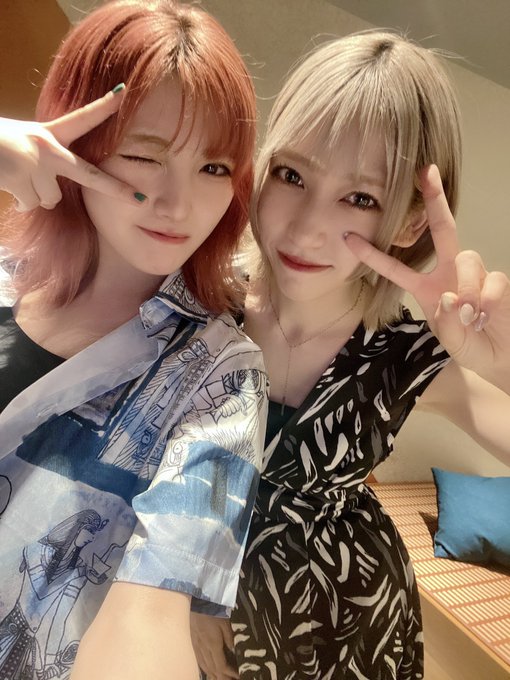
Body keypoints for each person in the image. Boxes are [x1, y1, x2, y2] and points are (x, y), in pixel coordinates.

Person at [188, 31, 510, 680]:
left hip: (349, 622)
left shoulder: (404, 356)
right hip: (191, 601)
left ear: (410, 222)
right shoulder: (200, 303)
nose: (306, 227)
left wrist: (501, 365)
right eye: (292, 175)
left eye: (360, 197)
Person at [0, 1, 268, 679]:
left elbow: (151, 613)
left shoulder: (221, 376)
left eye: (214, 169)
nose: (180, 205)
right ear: (74, 145)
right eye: (146, 156)